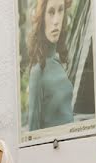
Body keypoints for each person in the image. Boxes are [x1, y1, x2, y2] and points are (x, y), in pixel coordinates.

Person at [26, 0, 74, 131]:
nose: (56, 20)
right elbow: (32, 133)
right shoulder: (38, 72)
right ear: (42, 18)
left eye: (61, 10)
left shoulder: (62, 63)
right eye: (51, 12)